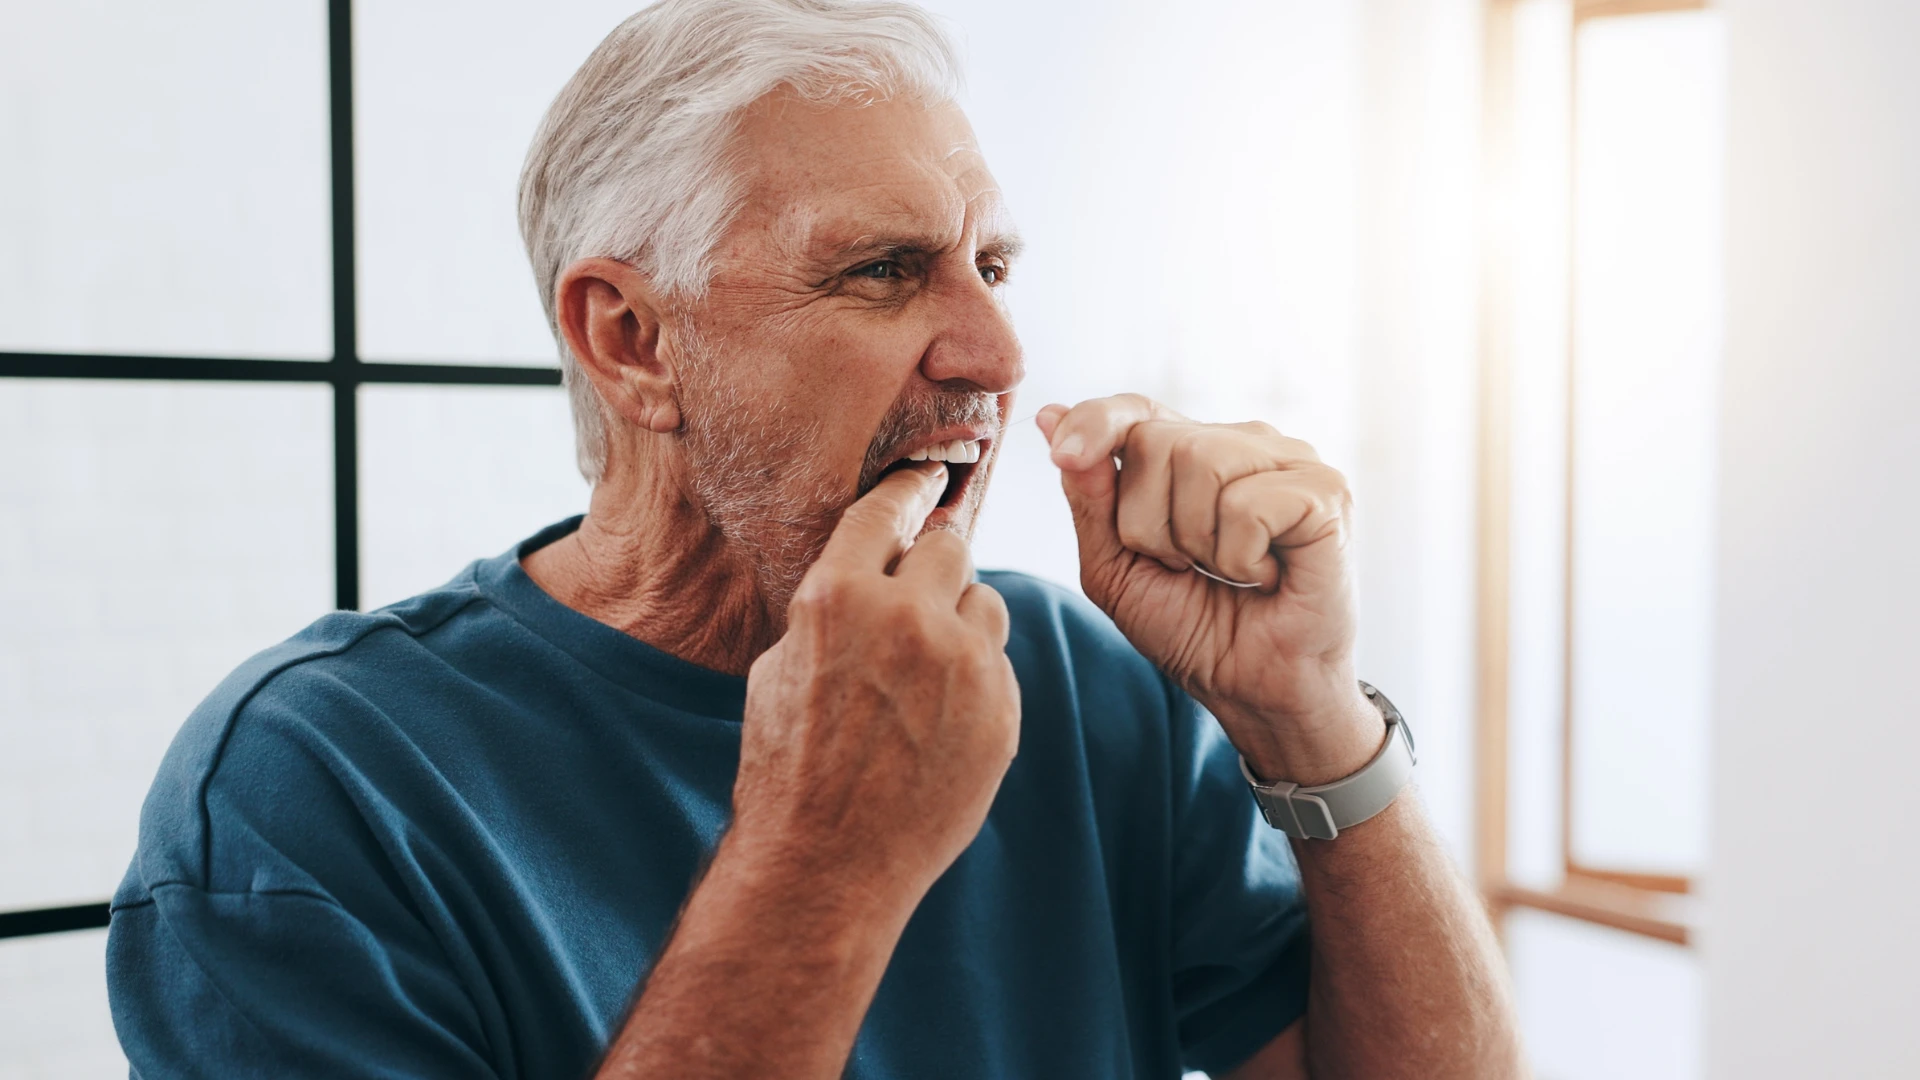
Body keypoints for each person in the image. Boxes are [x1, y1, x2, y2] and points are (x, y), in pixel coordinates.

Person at [107, 0, 1523, 1075]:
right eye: (885, 270)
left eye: (994, 263)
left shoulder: (1084, 690)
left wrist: (1307, 715)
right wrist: (824, 858)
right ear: (634, 340)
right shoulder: (306, 797)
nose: (992, 350)